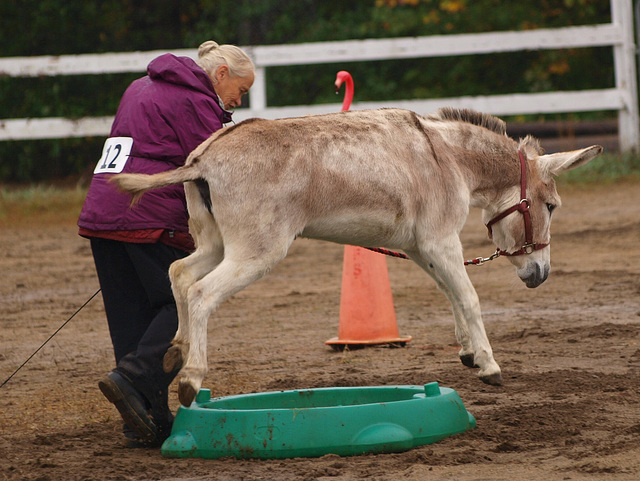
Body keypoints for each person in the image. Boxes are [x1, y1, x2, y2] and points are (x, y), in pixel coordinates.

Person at [77, 41, 255, 447]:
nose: (237, 102)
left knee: (132, 321)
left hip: (105, 211)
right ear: (222, 74)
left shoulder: (139, 87)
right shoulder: (196, 102)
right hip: (151, 216)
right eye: (239, 91)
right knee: (182, 306)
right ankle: (133, 379)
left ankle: (145, 421)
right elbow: (212, 173)